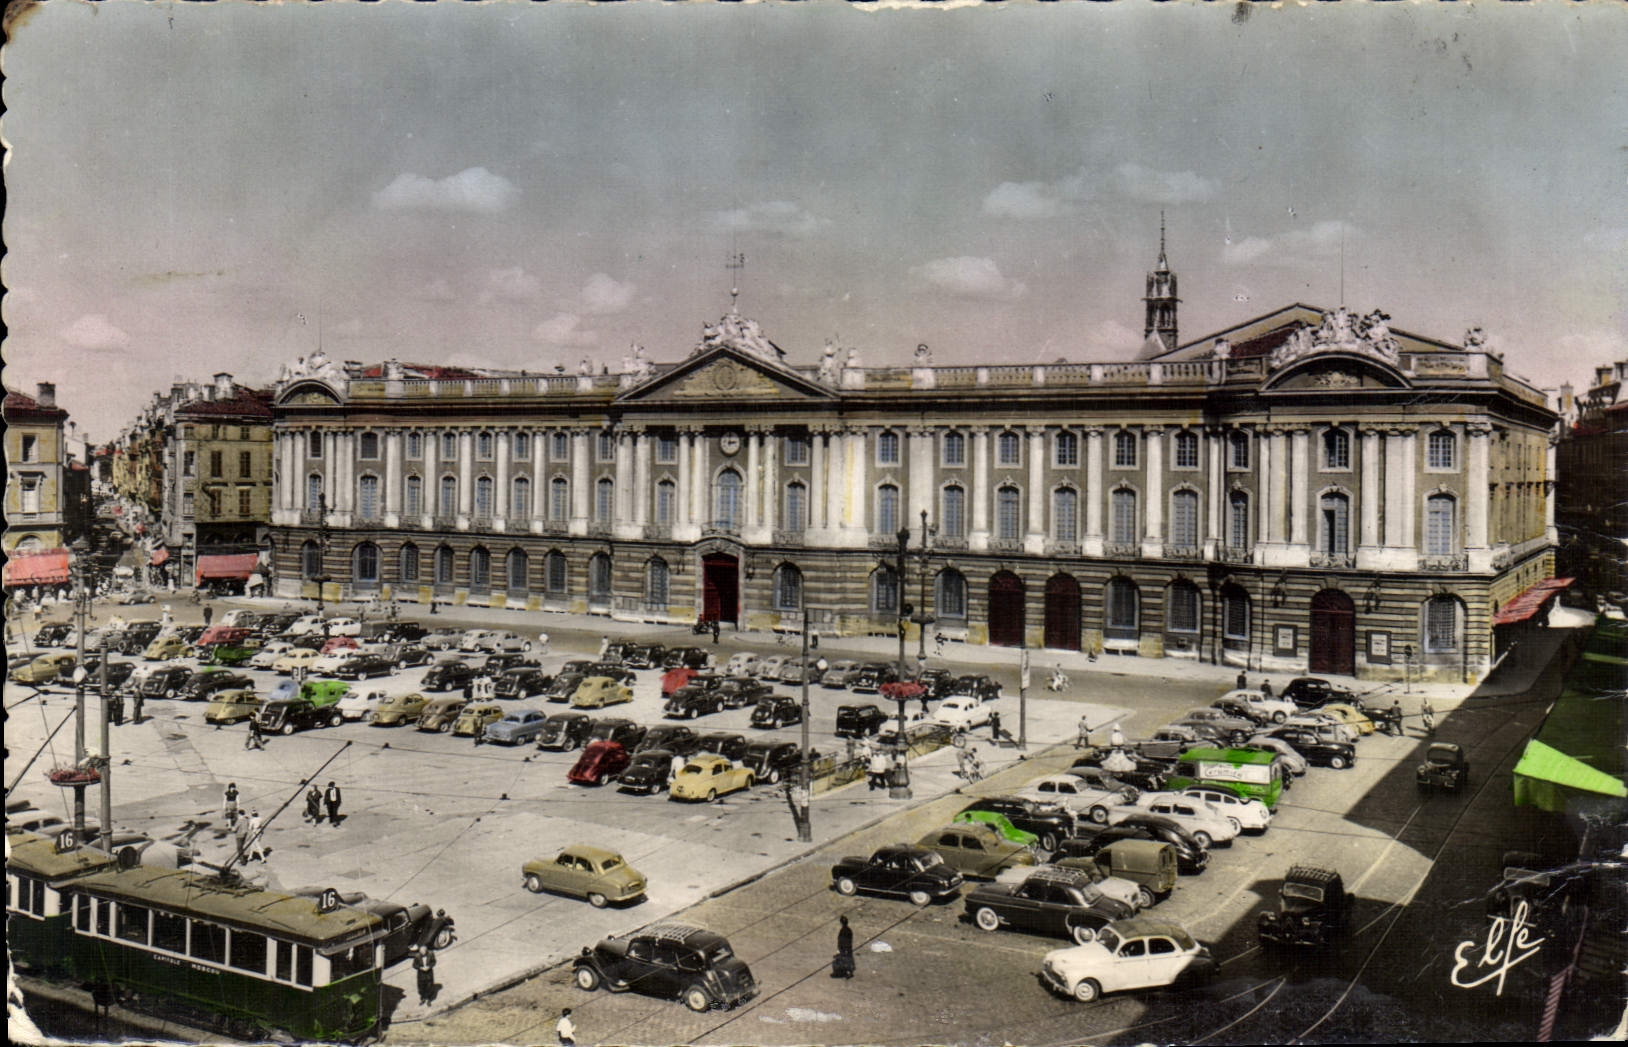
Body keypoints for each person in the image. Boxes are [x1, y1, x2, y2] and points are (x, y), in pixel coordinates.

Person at [832, 915, 855, 979]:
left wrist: (840, 947)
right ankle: (847, 971)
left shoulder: (844, 930)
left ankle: (846, 971)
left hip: (844, 947)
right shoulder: (848, 930)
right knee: (847, 958)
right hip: (847, 947)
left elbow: (841, 939)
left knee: (845, 959)